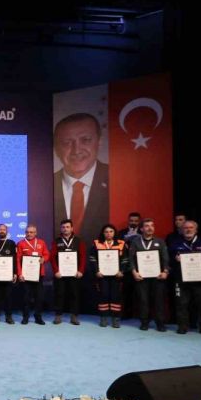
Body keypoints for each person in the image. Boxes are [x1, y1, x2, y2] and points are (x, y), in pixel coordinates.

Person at [53, 113, 109, 245]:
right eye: (67, 143)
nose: (76, 150)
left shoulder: (118, 179)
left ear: (99, 142)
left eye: (85, 140)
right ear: (56, 148)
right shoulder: (44, 186)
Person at [170, 220, 201, 336]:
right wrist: (175, 260)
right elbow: (168, 262)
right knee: (181, 304)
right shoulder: (175, 244)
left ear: (196, 230)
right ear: (182, 230)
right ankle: (182, 326)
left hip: (200, 279)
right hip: (181, 280)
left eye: (191, 228)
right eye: (186, 228)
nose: (188, 230)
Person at [129, 218, 170, 332]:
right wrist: (134, 272)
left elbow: (165, 258)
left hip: (158, 276)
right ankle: (144, 322)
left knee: (159, 300)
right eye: (147, 226)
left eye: (152, 225)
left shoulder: (160, 241)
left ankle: (160, 323)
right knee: (143, 300)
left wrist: (165, 271)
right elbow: (131, 259)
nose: (150, 228)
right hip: (141, 276)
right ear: (142, 229)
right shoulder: (135, 242)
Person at [89, 224, 128, 328]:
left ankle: (116, 318)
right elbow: (92, 258)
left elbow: (125, 259)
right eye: (106, 232)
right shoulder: (97, 243)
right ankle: (103, 318)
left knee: (116, 296)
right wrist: (96, 271)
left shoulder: (121, 243)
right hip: (102, 276)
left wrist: (122, 271)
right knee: (103, 295)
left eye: (111, 231)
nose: (108, 234)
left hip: (116, 276)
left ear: (114, 233)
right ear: (103, 233)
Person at [50, 219, 87, 325]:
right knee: (59, 294)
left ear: (72, 228)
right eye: (63, 227)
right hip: (60, 274)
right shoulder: (56, 241)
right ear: (60, 229)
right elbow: (52, 258)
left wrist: (81, 270)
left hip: (74, 273)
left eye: (67, 227)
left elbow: (83, 257)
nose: (65, 229)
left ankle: (74, 316)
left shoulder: (78, 241)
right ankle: (58, 315)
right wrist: (56, 271)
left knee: (74, 294)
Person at [16, 224, 50, 325]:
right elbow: (17, 260)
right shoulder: (20, 243)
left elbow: (47, 254)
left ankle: (38, 316)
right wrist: (20, 274)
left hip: (38, 274)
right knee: (25, 297)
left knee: (39, 297)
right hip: (25, 275)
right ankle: (25, 317)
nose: (29, 234)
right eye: (27, 232)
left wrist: (44, 259)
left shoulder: (41, 242)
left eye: (31, 232)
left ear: (36, 233)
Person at [118, 212, 141, 318]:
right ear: (128, 221)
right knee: (126, 291)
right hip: (126, 266)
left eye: (136, 221)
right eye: (131, 221)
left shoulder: (143, 232)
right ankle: (126, 314)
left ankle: (142, 315)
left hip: (140, 266)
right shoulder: (121, 233)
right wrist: (125, 241)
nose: (133, 223)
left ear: (139, 222)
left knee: (141, 292)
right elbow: (117, 246)